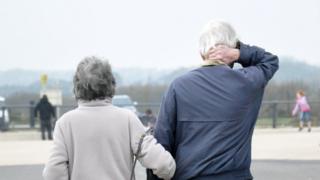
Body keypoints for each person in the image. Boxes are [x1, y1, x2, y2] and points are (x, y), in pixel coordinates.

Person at [147, 20, 279, 180]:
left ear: (201, 53)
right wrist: (238, 53)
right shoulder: (247, 82)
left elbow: (162, 144)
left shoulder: (178, 86)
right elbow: (270, 61)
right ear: (232, 49)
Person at [43, 57, 176, 180]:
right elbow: (164, 165)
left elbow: (52, 173)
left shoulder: (65, 123)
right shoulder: (128, 119)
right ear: (111, 84)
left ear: (77, 87)